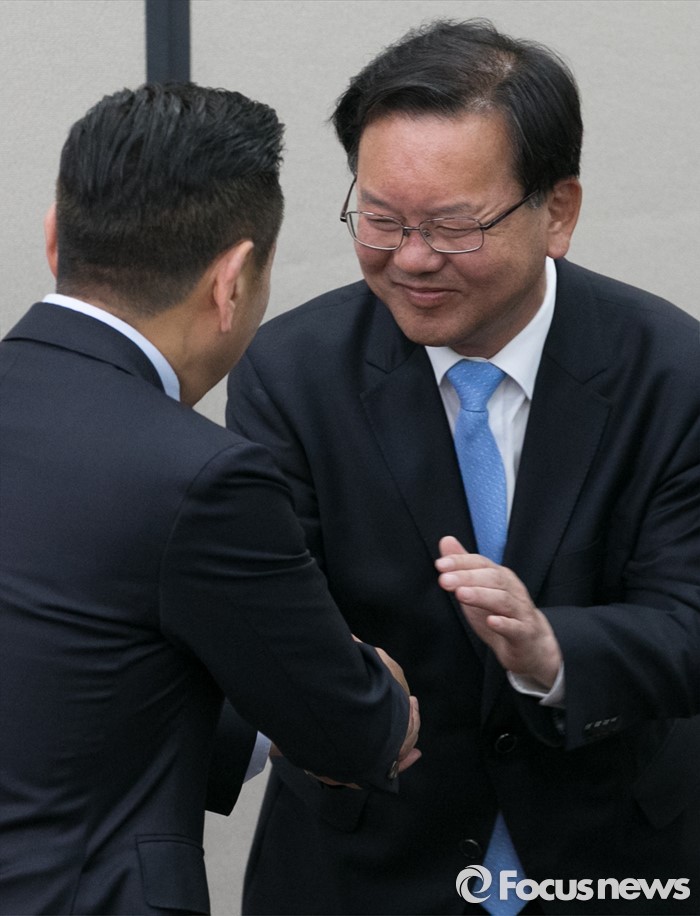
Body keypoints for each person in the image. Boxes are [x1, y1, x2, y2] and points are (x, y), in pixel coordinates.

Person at [226, 18, 700, 916]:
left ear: (557, 211)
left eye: (452, 225)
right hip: (365, 870)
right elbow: (269, 622)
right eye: (381, 219)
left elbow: (689, 619)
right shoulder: (291, 373)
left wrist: (553, 651)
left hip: (616, 856)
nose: (411, 258)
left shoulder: (671, 371)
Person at [0, 83, 421, 916]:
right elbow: (351, 732)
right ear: (231, 282)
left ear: (54, 237)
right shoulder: (202, 476)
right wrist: (377, 691)